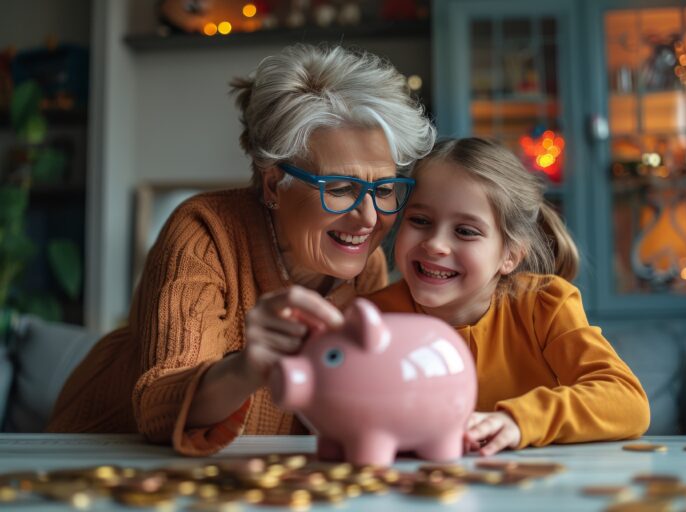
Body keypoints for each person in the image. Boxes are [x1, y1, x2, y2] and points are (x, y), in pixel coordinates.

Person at [47, 44, 436, 456]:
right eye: (340, 189)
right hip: (97, 453)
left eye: (385, 189)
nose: (370, 219)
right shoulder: (205, 232)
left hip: (249, 473)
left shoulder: (366, 268)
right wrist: (249, 366)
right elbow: (158, 408)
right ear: (273, 185)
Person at [367, 137, 650, 455]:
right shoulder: (375, 319)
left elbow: (628, 402)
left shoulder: (544, 305)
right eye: (420, 221)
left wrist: (520, 421)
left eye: (465, 231)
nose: (435, 244)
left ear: (510, 256)